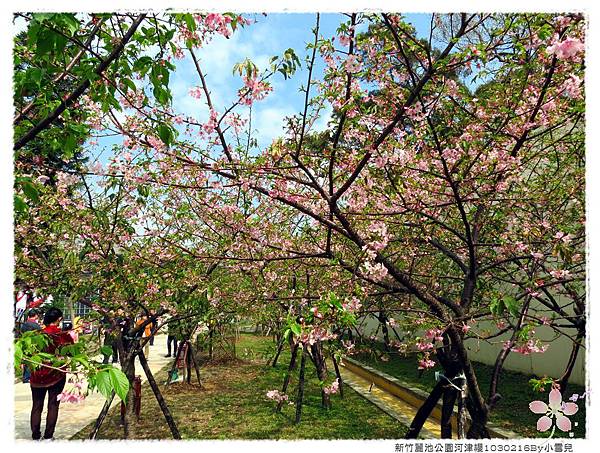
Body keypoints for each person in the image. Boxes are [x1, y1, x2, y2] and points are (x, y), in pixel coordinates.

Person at [29, 307, 74, 440]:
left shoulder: (38, 334)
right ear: (59, 319)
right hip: (56, 374)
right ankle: (48, 437)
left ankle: (36, 436)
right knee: (53, 405)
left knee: (36, 405)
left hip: (37, 374)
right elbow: (71, 351)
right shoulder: (62, 335)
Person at [20, 309, 41, 383]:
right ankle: (28, 377)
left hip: (25, 344)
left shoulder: (24, 324)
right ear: (36, 316)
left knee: (26, 361)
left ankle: (26, 377)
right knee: (32, 361)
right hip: (34, 345)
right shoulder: (36, 326)